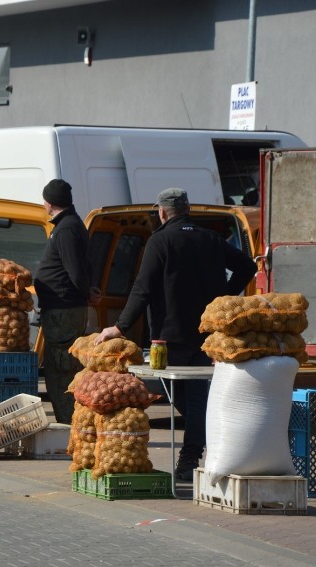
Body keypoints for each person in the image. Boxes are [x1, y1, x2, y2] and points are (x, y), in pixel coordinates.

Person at [93, 187, 257, 481]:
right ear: (186, 209)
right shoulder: (210, 238)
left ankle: (189, 457)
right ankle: (195, 448)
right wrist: (223, 298)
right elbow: (247, 266)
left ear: (163, 212)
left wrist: (119, 327)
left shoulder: (160, 240)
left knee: (185, 394)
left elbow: (142, 288)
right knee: (190, 395)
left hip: (169, 335)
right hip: (208, 334)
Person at [33, 179, 90, 425]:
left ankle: (69, 425)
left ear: (49, 202)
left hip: (63, 310)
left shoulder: (66, 228)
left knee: (62, 368)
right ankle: (69, 422)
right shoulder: (67, 225)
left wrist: (85, 292)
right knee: (61, 366)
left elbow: (75, 271)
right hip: (61, 308)